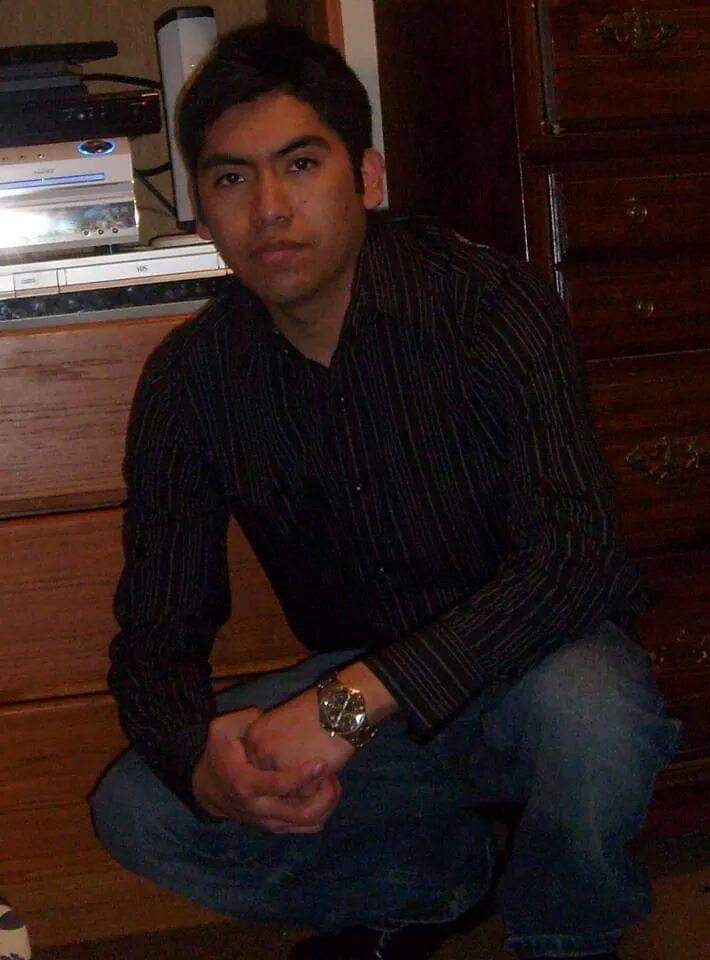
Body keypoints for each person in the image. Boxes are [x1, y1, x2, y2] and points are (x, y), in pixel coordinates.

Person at [91, 21, 681, 960]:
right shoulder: (192, 380)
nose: (269, 210)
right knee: (136, 809)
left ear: (366, 178)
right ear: (202, 211)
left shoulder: (489, 305)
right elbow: (159, 627)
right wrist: (201, 765)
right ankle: (431, 886)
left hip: (528, 673)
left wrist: (351, 703)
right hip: (371, 728)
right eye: (232, 179)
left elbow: (577, 559)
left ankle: (569, 931)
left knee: (595, 709)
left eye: (301, 165)